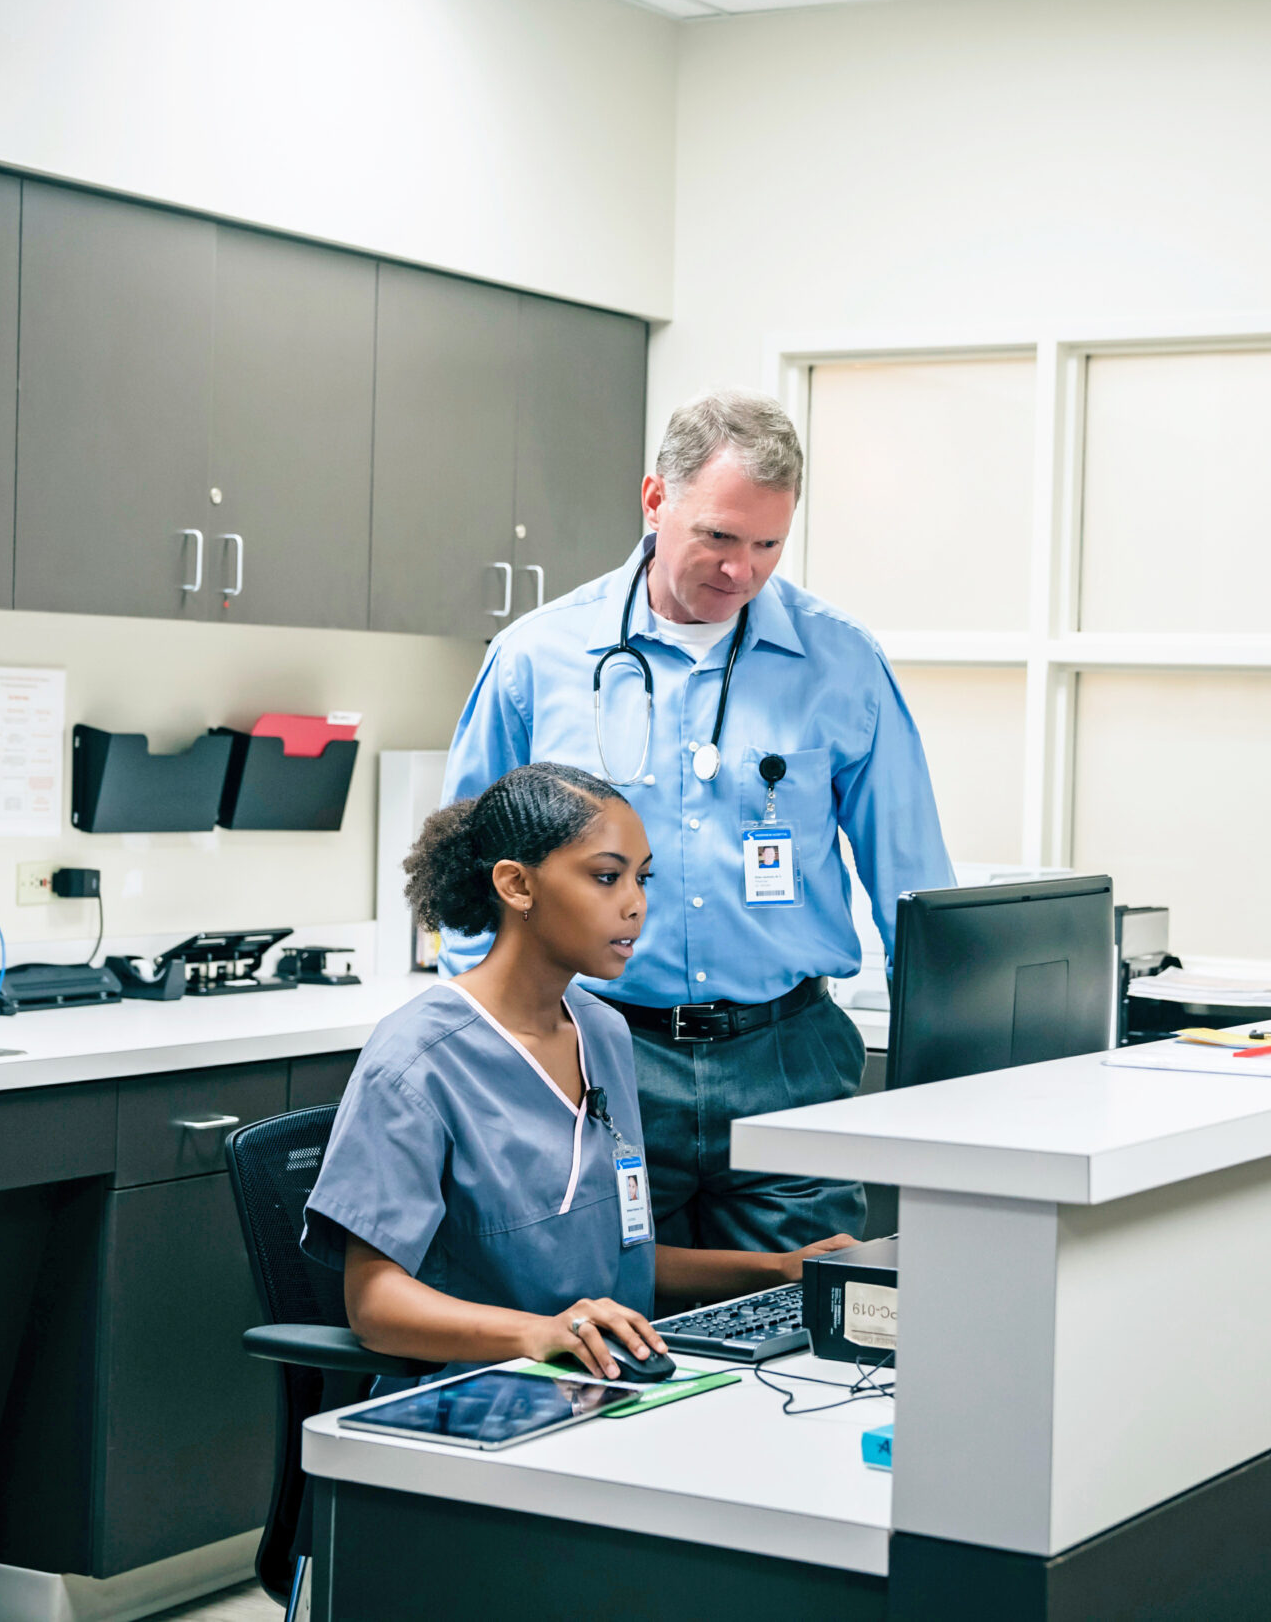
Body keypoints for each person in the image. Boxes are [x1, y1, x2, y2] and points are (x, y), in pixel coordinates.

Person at [442, 388, 954, 1258]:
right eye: (717, 536)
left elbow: (914, 888)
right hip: (600, 1053)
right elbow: (468, 885)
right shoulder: (537, 657)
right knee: (614, 1336)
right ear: (654, 501)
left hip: (789, 1059)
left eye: (767, 544)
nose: (740, 570)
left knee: (807, 1343)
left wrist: (952, 1076)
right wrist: (503, 1061)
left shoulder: (843, 662)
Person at [300, 763, 854, 1382]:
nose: (636, 905)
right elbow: (374, 1305)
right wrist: (538, 1334)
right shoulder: (417, 1062)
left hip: (609, 1388)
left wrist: (779, 1270)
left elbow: (620, 1257)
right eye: (607, 877)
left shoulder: (603, 1033)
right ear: (516, 885)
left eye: (642, 879)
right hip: (474, 1401)